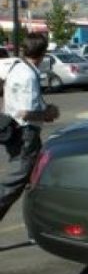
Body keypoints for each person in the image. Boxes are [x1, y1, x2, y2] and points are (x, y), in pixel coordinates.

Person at [0, 33, 60, 224]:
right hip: (26, 134)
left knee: (35, 178)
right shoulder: (28, 75)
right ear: (42, 53)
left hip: (14, 130)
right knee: (15, 183)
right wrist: (48, 114)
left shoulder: (16, 66)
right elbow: (25, 113)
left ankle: (38, 223)